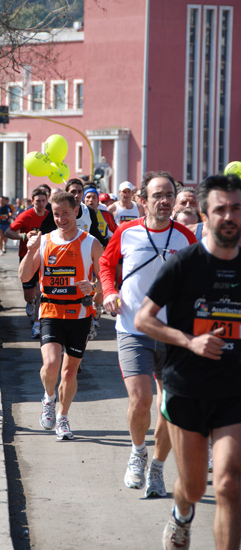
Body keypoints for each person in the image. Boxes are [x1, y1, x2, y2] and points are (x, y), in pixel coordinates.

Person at [134, 174, 241, 550]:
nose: (229, 216)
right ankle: (181, 514)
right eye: (220, 209)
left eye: (236, 208)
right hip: (186, 387)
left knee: (228, 484)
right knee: (194, 487)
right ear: (205, 215)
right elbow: (143, 319)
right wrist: (189, 341)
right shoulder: (184, 263)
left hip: (233, 390)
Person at [100, 171, 197, 497]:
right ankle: (138, 452)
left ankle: (157, 467)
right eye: (157, 195)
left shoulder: (185, 237)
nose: (165, 200)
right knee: (141, 401)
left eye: (169, 194)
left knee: (168, 407)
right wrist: (109, 291)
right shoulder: (126, 232)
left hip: (173, 333)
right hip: (132, 328)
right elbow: (105, 262)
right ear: (142, 200)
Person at [19, 191, 104, 440]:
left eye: (65, 213)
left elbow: (105, 281)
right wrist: (30, 250)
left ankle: (63, 418)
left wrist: (95, 287)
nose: (60, 218)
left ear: (76, 212)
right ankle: (48, 397)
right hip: (50, 309)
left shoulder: (91, 243)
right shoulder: (44, 241)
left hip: (80, 313)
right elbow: (25, 277)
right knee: (51, 364)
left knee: (69, 372)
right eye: (56, 214)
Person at [5, 187, 49, 339]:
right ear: (32, 202)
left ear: (47, 201)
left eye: (43, 201)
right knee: (29, 295)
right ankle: (30, 303)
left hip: (44, 258)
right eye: (38, 201)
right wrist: (23, 236)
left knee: (40, 291)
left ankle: (38, 323)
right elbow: (8, 232)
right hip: (26, 257)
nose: (41, 204)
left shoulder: (50, 216)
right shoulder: (26, 216)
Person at [40, 178, 105, 247]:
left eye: (79, 192)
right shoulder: (57, 211)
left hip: (83, 252)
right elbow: (45, 233)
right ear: (67, 193)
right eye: (73, 192)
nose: (77, 195)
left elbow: (95, 234)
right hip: (62, 250)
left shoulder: (89, 211)